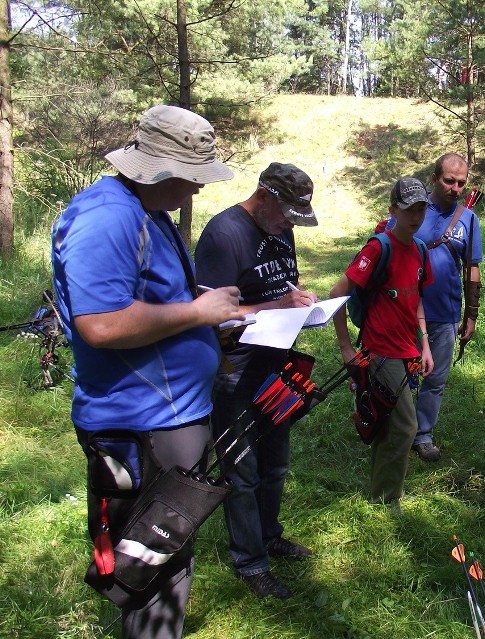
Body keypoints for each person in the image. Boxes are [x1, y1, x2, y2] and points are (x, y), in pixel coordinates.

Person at [51, 104, 242, 638]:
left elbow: (151, 300)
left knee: (167, 556)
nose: (198, 190)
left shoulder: (147, 214)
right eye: (192, 177)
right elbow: (102, 325)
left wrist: (210, 314)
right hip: (143, 423)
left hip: (171, 419)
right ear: (158, 169)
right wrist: (198, 314)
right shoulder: (108, 217)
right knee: (151, 562)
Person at [194, 163, 318, 600]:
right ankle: (249, 561)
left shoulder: (282, 228)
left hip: (276, 362)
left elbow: (286, 282)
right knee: (242, 472)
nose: (288, 223)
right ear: (263, 195)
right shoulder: (224, 234)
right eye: (285, 213)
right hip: (235, 371)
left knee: (276, 463)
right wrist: (278, 305)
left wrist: (301, 301)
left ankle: (269, 535)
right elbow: (212, 315)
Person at [330, 177, 434, 507]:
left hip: (408, 351)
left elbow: (416, 299)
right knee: (406, 427)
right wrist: (347, 349)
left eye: (420, 209)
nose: (415, 217)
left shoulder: (419, 249)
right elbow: (337, 294)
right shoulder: (379, 248)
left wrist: (425, 344)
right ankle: (389, 499)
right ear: (393, 211)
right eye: (408, 210)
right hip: (380, 351)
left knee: (387, 425)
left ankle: (378, 495)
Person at [410, 153, 482, 462]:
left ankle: (422, 434)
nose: (455, 188)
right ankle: (394, 426)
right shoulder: (412, 210)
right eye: (448, 181)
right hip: (407, 310)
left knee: (435, 378)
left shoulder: (468, 218)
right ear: (434, 178)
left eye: (461, 183)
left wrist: (472, 313)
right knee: (401, 373)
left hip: (447, 310)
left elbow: (472, 268)